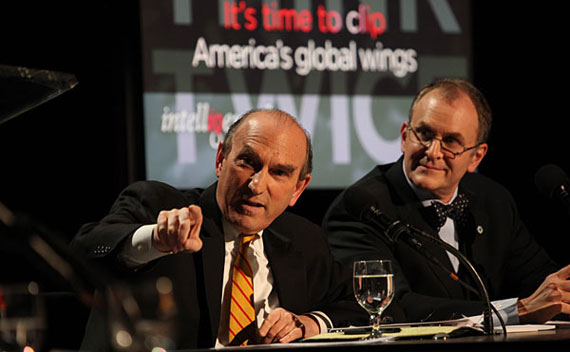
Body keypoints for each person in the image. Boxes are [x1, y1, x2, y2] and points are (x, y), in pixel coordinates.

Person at [71, 109, 376, 350]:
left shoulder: (303, 239)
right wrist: (155, 239)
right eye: (247, 162)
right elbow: (83, 253)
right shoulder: (159, 205)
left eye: (279, 172)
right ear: (220, 160)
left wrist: (308, 323)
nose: (256, 185)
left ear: (298, 189)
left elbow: (367, 305)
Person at [322, 78, 570, 325]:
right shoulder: (361, 209)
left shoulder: (494, 201)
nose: (433, 151)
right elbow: (391, 308)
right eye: (424, 134)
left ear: (476, 157)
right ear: (404, 136)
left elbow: (543, 286)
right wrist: (515, 312)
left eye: (450, 141)